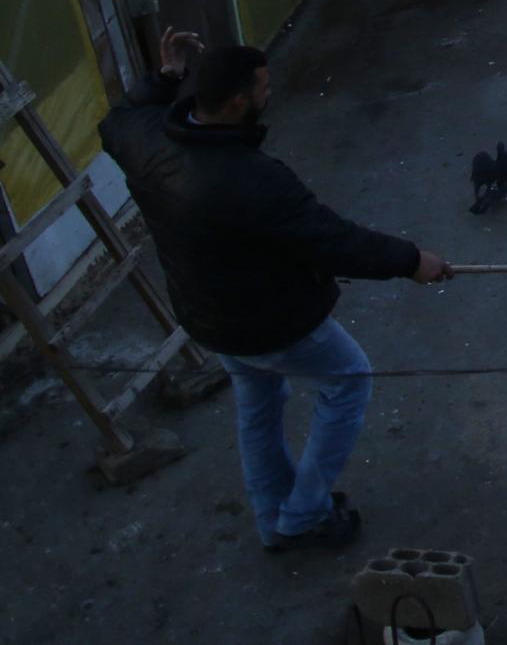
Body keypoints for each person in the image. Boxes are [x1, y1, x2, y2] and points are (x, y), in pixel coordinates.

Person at [100, 32, 452, 552]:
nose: (270, 92)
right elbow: (332, 241)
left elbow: (116, 120)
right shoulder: (251, 179)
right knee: (349, 381)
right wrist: (412, 261)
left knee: (258, 404)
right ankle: (304, 514)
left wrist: (166, 77)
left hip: (206, 315)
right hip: (269, 322)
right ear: (239, 100)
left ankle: (274, 520)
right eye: (263, 86)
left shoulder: (146, 138)